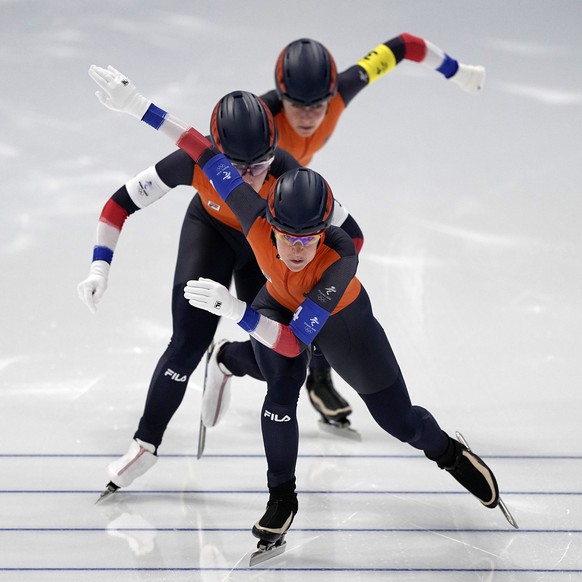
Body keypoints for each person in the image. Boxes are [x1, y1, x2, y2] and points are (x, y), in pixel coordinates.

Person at [87, 66, 504, 550]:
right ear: (267, 220)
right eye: (287, 237)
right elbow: (199, 147)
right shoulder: (252, 213)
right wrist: (136, 102)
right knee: (282, 390)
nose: (297, 248)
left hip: (337, 316)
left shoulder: (338, 262)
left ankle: (449, 453)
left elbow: (290, 340)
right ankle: (282, 497)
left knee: (399, 422)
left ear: (325, 231)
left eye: (309, 238)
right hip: (279, 302)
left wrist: (235, 308)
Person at [79, 87, 364, 497]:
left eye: (262, 164)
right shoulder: (193, 162)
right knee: (187, 342)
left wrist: (323, 289)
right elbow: (119, 204)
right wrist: (99, 267)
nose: (252, 177)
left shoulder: (289, 171)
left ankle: (227, 359)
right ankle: (145, 444)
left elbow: (351, 236)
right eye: (239, 168)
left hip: (264, 251)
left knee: (278, 359)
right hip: (209, 235)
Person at [207, 33, 486, 429]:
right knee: (284, 347)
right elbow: (218, 147)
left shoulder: (340, 93)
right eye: (294, 106)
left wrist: (456, 71)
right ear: (279, 101)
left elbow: (402, 46)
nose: (306, 117)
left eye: (317, 106)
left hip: (297, 205)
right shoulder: (261, 121)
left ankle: (309, 373)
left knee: (324, 295)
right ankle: (237, 359)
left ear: (331, 95)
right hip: (255, 211)